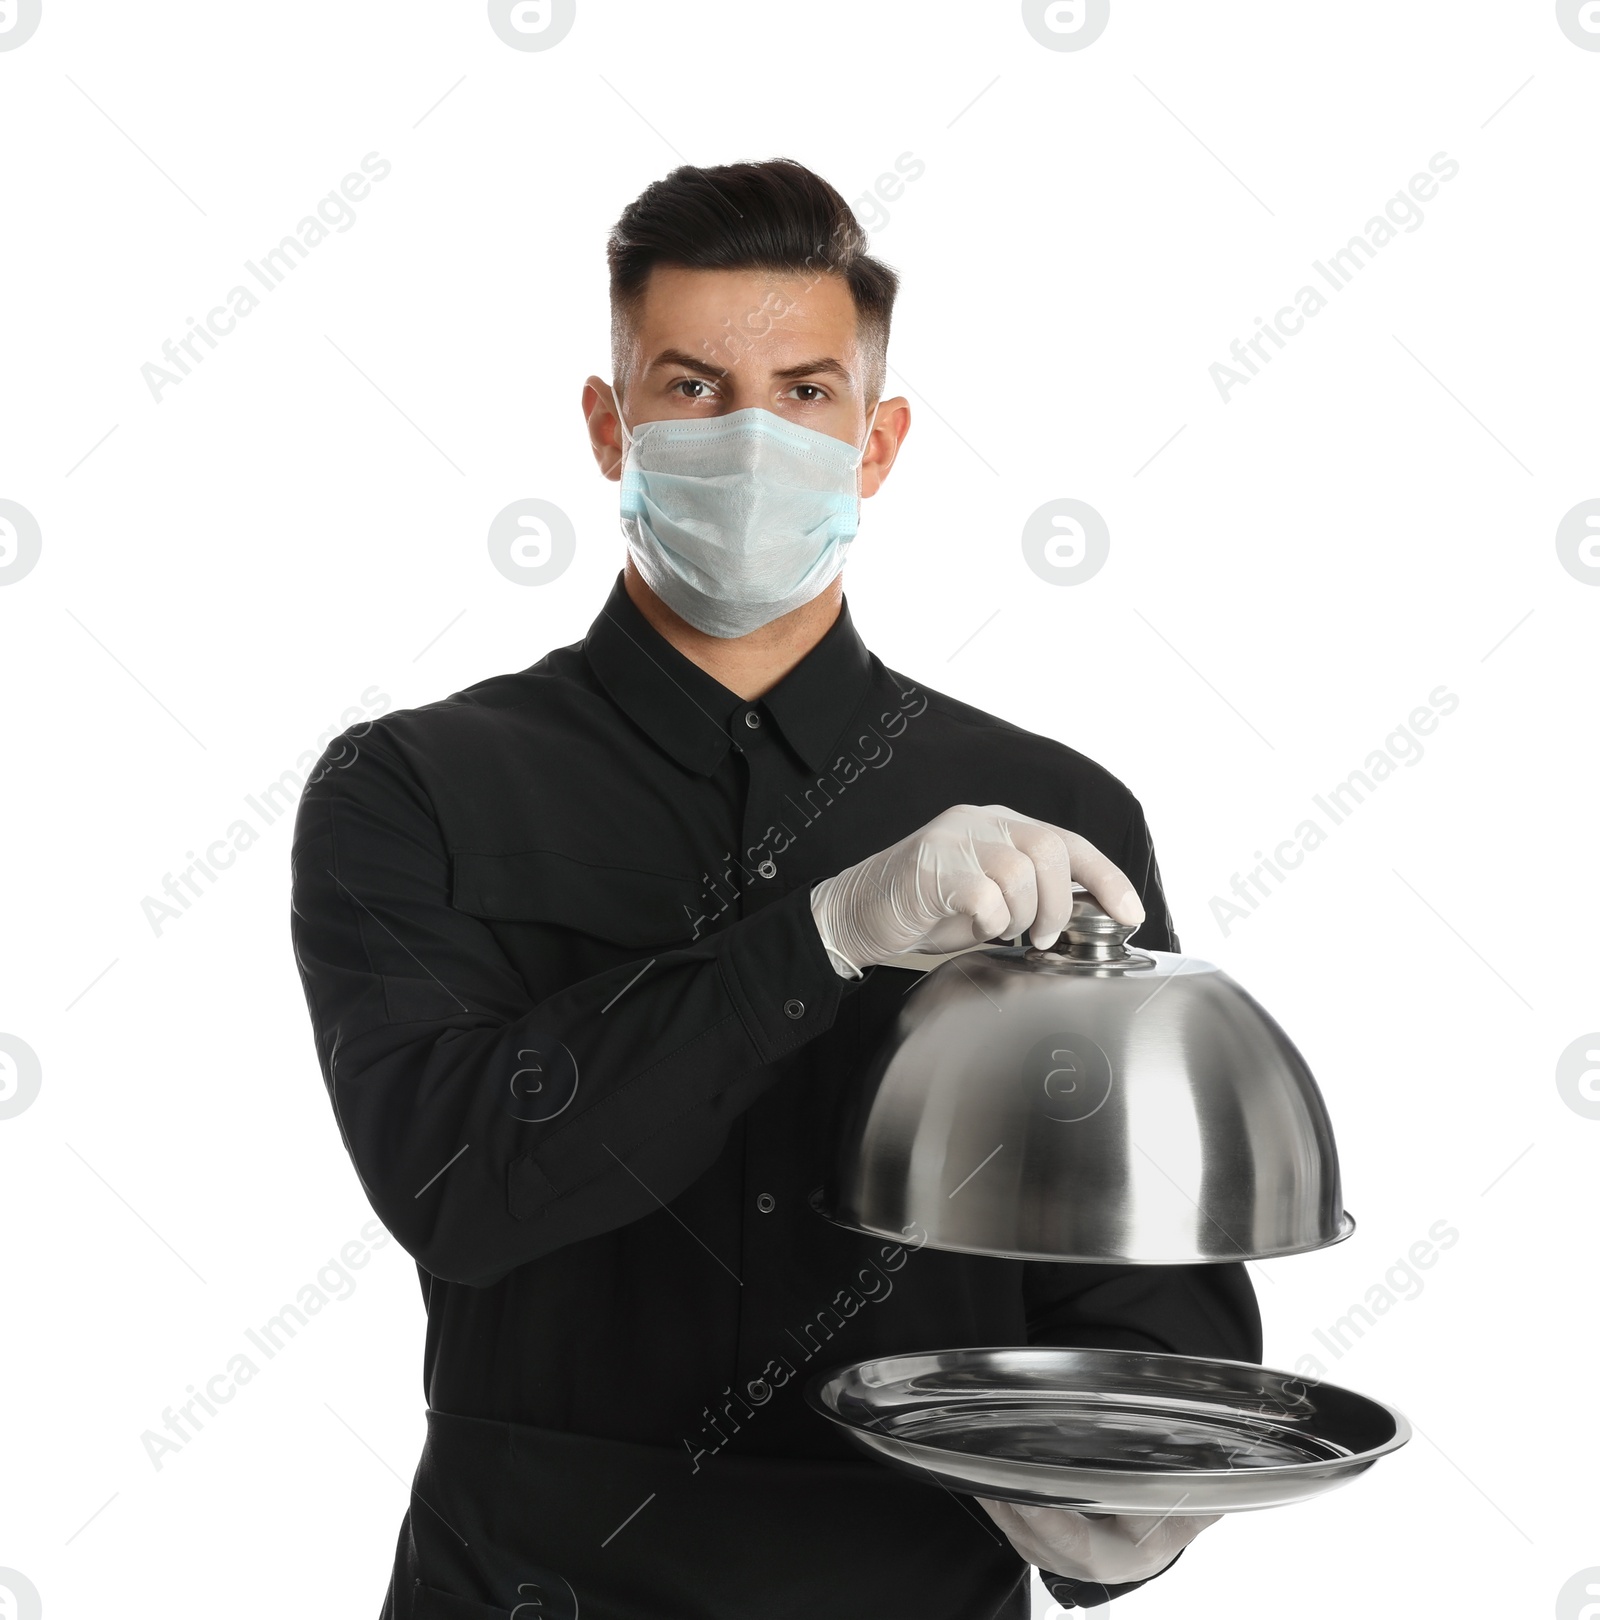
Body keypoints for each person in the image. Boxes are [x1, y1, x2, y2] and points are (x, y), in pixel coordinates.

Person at [289, 158, 1260, 1619]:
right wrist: (822, 934)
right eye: (692, 386)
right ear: (609, 425)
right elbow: (465, 1190)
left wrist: (1142, 1497)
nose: (754, 437)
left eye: (807, 392)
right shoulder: (412, 788)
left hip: (916, 1585)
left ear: (878, 443)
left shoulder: (1055, 811)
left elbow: (1135, 1266)